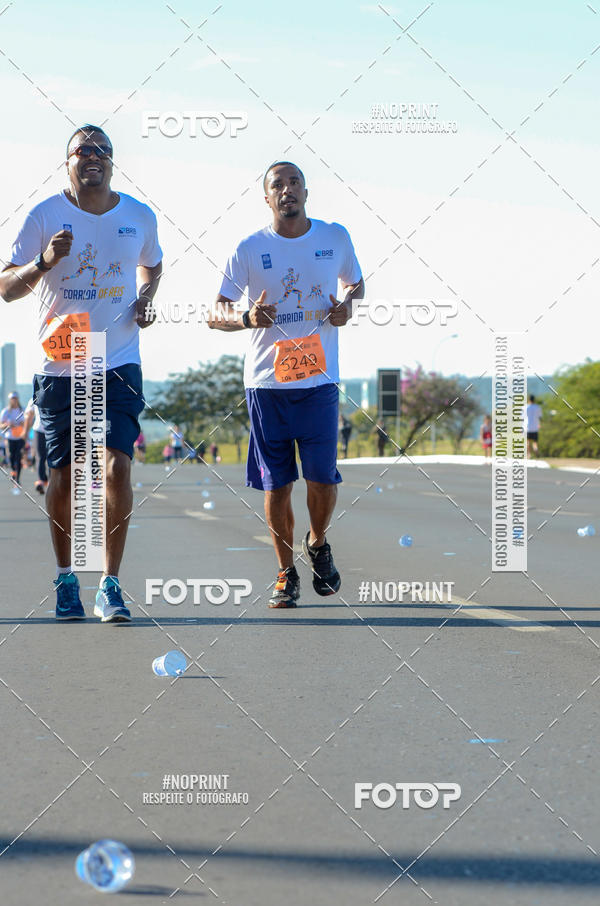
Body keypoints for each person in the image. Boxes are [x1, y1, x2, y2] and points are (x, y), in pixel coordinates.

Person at [0, 124, 162, 622]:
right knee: (66, 475)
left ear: (112, 162)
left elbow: (152, 265)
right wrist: (43, 263)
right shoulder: (44, 214)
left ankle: (110, 584)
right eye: (82, 150)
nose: (93, 156)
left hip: (117, 362)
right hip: (61, 365)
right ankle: (66, 578)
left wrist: (145, 299)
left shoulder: (139, 215)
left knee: (116, 466)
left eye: (102, 151)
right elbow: (6, 286)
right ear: (67, 162)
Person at [209, 160, 364, 608]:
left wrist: (347, 308)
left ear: (306, 191)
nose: (287, 190)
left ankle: (317, 543)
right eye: (278, 184)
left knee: (321, 478)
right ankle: (284, 573)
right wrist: (245, 318)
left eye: (294, 182)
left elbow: (357, 285)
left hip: (318, 381)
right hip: (267, 385)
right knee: (278, 485)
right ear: (267, 197)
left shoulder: (334, 238)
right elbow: (214, 312)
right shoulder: (249, 249)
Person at [0, 392, 26, 487]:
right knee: (11, 456)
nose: (14, 400)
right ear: (10, 399)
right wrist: (8, 425)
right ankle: (13, 471)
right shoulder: (6, 411)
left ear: (18, 399)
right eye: (12, 398)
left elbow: (28, 423)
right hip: (10, 437)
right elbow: (1, 425)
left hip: (20, 437)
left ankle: (17, 479)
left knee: (19, 457)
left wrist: (23, 424)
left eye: (15, 398)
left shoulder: (22, 410)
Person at [24, 396, 48, 493]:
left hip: (53, 430)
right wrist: (25, 432)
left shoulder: (55, 392)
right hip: (39, 430)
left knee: (52, 456)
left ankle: (51, 480)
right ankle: (41, 481)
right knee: (40, 457)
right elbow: (29, 416)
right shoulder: (34, 398)